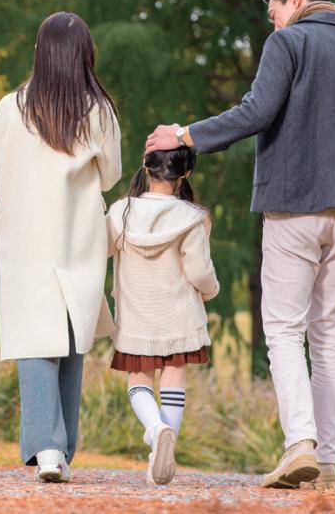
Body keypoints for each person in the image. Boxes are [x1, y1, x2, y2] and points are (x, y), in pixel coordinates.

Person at [145, 0, 335, 489]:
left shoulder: (289, 43)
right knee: (331, 338)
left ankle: (300, 445)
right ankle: (329, 462)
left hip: (294, 208)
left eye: (274, 14)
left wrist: (183, 133)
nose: (274, 26)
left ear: (293, 0)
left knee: (285, 330)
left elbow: (256, 111)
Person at [0, 11, 121, 483]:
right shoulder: (98, 109)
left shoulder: (11, 108)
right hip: (77, 235)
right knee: (70, 338)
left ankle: (47, 449)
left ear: (40, 52)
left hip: (25, 238)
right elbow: (112, 174)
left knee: (34, 339)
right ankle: (57, 449)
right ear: (84, 54)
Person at [105, 147, 218, 485]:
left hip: (136, 314)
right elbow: (199, 271)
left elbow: (101, 249)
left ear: (146, 167)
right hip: (178, 314)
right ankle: (163, 447)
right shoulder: (192, 216)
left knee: (138, 381)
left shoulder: (120, 211)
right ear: (186, 174)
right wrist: (211, 290)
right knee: (173, 377)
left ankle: (156, 430)